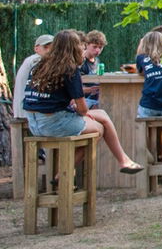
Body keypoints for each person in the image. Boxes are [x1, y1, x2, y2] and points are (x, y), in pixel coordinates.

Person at [22, 29, 143, 174]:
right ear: (74, 47)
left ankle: (124, 160)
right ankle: (64, 172)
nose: (83, 48)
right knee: (99, 129)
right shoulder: (69, 69)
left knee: (102, 114)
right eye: (81, 45)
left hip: (34, 124)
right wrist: (85, 114)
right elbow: (82, 110)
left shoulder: (39, 67)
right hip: (53, 123)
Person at [11, 33, 53, 118]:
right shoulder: (37, 60)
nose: (49, 50)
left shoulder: (31, 60)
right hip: (29, 110)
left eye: (53, 48)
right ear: (36, 48)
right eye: (46, 47)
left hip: (25, 108)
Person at [80, 30, 107, 108]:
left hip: (96, 97)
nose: (98, 50)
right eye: (94, 47)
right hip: (82, 99)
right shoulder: (80, 61)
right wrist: (91, 89)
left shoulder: (97, 60)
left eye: (100, 47)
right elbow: (73, 88)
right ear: (86, 45)